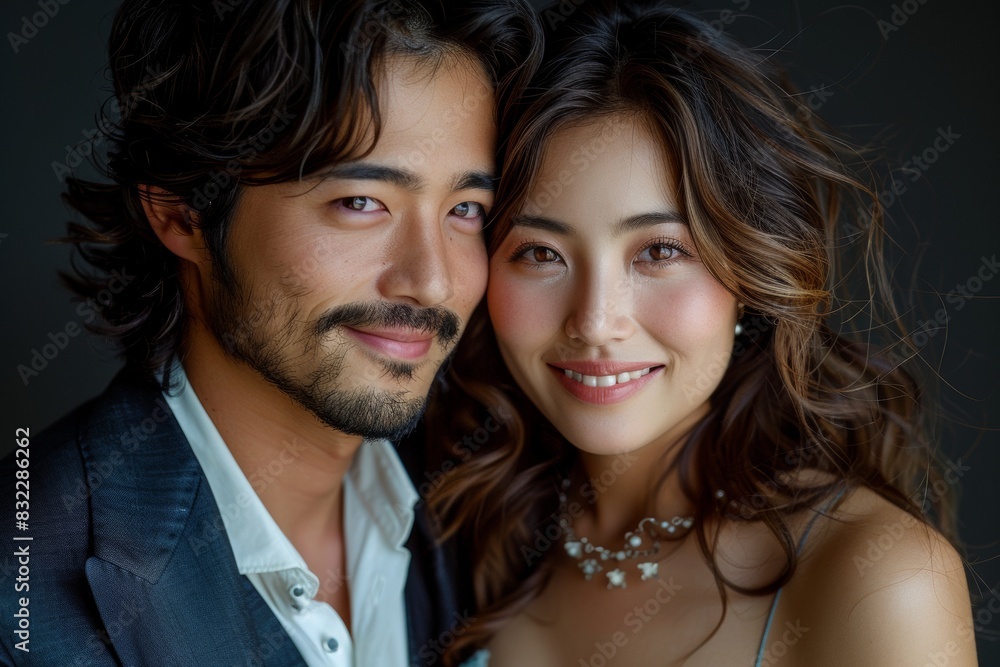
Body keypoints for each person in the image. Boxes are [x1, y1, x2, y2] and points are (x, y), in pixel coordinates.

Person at [425, 2, 978, 666]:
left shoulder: (873, 574)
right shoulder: (460, 529)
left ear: (747, 271)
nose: (597, 321)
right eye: (540, 253)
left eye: (658, 252)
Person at [0, 0, 540, 665]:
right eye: (360, 203)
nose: (431, 281)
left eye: (465, 209)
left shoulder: (489, 498)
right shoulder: (18, 594)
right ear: (183, 213)